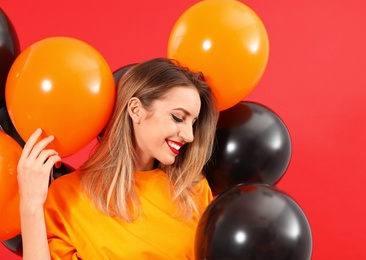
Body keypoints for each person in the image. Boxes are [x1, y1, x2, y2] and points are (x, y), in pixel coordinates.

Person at [17, 58, 219, 259]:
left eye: (193, 123)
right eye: (178, 117)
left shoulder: (194, 189)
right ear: (135, 110)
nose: (189, 136)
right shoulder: (67, 197)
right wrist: (31, 205)